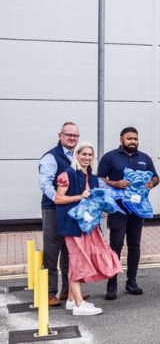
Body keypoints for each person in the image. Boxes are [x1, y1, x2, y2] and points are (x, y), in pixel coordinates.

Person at [54, 141, 122, 316]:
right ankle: (79, 305)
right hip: (71, 225)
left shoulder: (92, 177)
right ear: (76, 155)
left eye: (90, 155)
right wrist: (79, 196)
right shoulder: (66, 174)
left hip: (88, 225)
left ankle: (70, 300)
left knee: (80, 259)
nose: (87, 158)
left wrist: (101, 213)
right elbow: (58, 199)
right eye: (83, 154)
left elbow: (93, 201)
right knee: (78, 261)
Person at [97, 127, 159, 300]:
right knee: (116, 245)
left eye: (135, 139)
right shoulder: (110, 157)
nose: (133, 141)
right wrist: (115, 183)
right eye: (129, 138)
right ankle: (112, 284)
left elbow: (155, 177)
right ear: (121, 139)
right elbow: (99, 179)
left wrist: (151, 184)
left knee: (135, 245)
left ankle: (131, 282)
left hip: (138, 209)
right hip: (118, 209)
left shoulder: (144, 158)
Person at [38, 122, 80, 306]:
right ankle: (49, 292)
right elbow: (45, 183)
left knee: (69, 250)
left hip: (72, 209)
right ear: (60, 135)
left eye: (75, 135)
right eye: (68, 134)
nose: (72, 138)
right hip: (54, 209)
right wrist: (56, 198)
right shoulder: (51, 157)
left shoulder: (78, 156)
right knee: (52, 251)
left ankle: (67, 291)